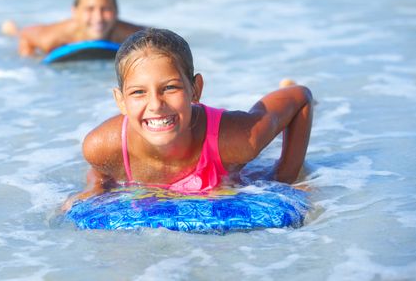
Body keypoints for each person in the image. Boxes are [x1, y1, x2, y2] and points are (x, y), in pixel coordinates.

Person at [60, 28, 313, 212]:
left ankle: (282, 83)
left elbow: (301, 97)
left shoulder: (239, 140)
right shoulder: (103, 145)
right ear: (121, 101)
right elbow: (102, 167)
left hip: (213, 143)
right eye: (138, 92)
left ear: (195, 89)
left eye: (170, 88)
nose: (156, 105)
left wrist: (287, 176)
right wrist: (96, 187)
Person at [1, 0, 145, 57]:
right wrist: (31, 59)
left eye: (106, 9)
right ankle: (11, 29)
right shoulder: (54, 37)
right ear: (74, 12)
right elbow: (27, 35)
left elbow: (160, 41)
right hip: (42, 34)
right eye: (90, 9)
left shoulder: (130, 34)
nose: (98, 17)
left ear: (116, 11)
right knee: (16, 33)